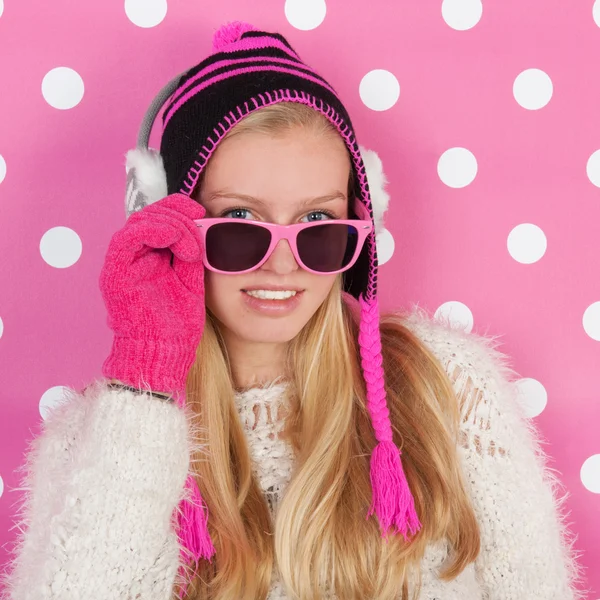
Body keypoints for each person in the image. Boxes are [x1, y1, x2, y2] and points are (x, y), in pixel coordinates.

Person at [0, 20, 588, 600]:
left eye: (316, 224)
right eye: (239, 222)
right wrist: (147, 386)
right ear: (166, 221)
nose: (283, 265)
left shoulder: (450, 388)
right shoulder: (98, 437)